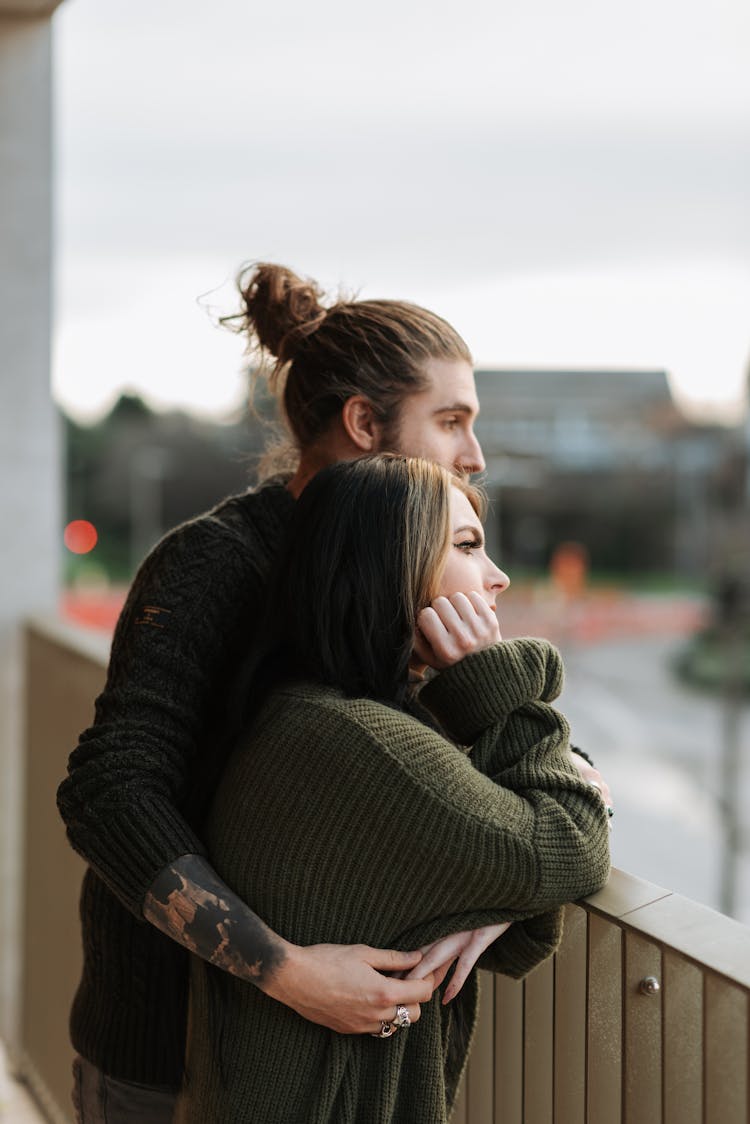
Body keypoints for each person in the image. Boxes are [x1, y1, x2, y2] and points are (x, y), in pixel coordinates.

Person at [57, 263, 611, 1122]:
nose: (477, 455)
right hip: (169, 1042)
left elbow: (524, 778)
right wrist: (283, 968)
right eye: (452, 420)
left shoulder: (406, 573)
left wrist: (503, 884)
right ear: (364, 424)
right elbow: (109, 790)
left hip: (317, 1058)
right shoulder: (215, 563)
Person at [175, 455, 611, 1124]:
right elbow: (567, 847)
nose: (498, 578)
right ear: (391, 565)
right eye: (467, 546)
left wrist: (509, 898)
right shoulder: (359, 742)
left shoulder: (313, 713)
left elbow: (534, 869)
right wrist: (495, 686)